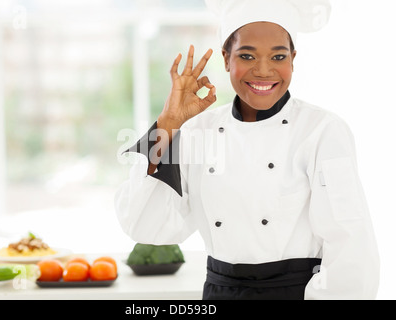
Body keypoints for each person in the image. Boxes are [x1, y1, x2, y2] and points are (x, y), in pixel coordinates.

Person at [115, 0, 380, 300]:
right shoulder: (197, 131)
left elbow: (350, 246)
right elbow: (145, 225)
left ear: (293, 59)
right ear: (226, 58)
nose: (263, 71)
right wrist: (168, 123)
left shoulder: (322, 130)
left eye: (278, 56)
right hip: (219, 294)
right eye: (247, 55)